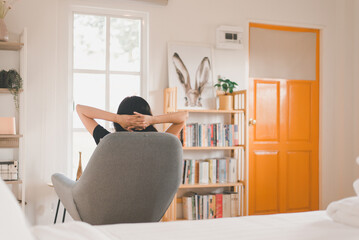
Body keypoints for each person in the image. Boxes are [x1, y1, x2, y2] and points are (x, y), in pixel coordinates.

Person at [76, 96, 188, 145]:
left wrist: (118, 118)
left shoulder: (107, 141)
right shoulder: (160, 143)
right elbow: (183, 117)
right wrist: (152, 120)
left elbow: (80, 109)